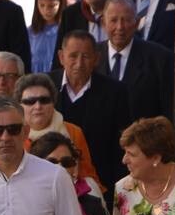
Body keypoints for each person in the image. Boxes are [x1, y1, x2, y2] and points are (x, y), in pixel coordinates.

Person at [54, 30, 132, 198]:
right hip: (51, 181)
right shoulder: (46, 86)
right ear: (61, 57)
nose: (79, 63)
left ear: (96, 58)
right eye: (73, 56)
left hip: (99, 184)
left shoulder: (115, 92)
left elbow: (122, 143)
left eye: (86, 57)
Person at [12, 73, 102, 193]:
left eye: (44, 100)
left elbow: (87, 175)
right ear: (19, 106)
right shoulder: (9, 133)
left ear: (53, 102)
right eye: (30, 101)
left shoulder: (73, 131)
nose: (38, 106)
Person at [98, 0, 174, 122]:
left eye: (126, 20)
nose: (120, 27)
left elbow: (168, 111)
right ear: (103, 23)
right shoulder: (91, 55)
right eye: (113, 20)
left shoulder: (160, 59)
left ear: (137, 23)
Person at [28, 0, 66, 75]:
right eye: (42, 5)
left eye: (52, 6)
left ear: (61, 3)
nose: (46, 10)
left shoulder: (66, 30)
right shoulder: (30, 32)